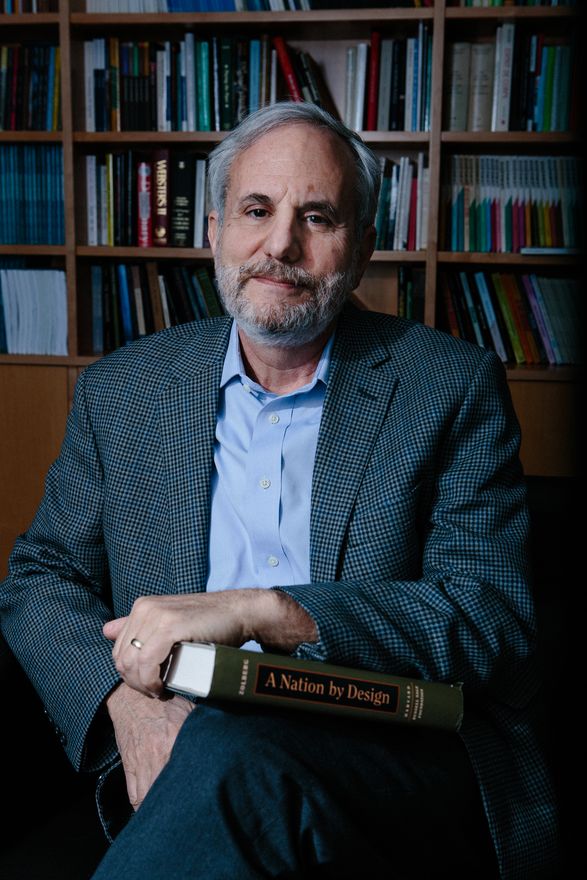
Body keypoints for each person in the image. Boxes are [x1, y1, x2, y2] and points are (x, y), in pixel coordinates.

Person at [0, 102, 558, 880]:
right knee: (225, 758)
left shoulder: (447, 387)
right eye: (255, 211)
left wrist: (269, 611)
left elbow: (490, 617)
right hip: (190, 730)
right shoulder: (123, 392)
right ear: (215, 232)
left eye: (317, 217)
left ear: (360, 249)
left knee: (235, 754)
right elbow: (40, 577)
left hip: (390, 750)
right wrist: (123, 705)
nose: (278, 246)